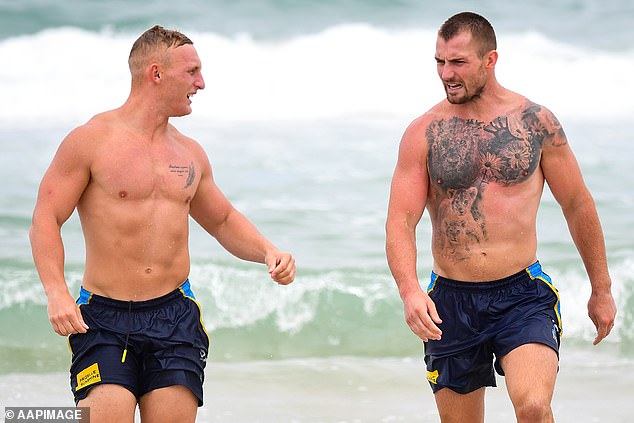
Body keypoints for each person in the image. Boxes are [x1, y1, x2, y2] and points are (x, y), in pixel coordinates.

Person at [30, 25, 295, 422]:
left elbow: (222, 219)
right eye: (191, 72)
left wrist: (268, 252)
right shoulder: (91, 141)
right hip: (102, 317)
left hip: (174, 316)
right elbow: (46, 217)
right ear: (156, 73)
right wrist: (55, 292)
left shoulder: (189, 154)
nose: (201, 84)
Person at [385, 12, 616, 423]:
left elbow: (577, 203)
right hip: (450, 303)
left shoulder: (536, 123)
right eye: (439, 62)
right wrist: (409, 290)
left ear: (490, 60)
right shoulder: (424, 132)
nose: (446, 74)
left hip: (521, 295)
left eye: (458, 63)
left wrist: (601, 288)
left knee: (532, 407)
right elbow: (401, 221)